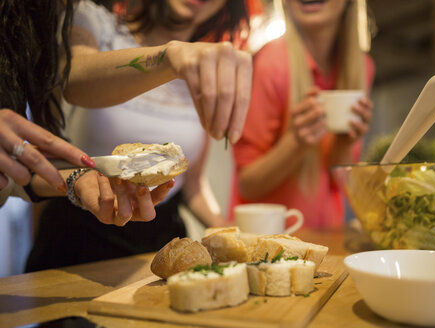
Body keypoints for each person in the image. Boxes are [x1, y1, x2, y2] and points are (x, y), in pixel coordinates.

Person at [25, 0, 252, 272]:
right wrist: (168, 57)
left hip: (161, 247)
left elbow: (191, 186)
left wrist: (225, 228)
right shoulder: (93, 21)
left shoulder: (204, 71)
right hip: (78, 238)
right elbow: (74, 80)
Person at [0, 0, 173, 220]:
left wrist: (76, 180)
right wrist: (167, 59)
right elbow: (73, 79)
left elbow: (14, 180)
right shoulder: (88, 18)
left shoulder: (34, 16)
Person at [231, 0, 375, 229]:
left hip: (327, 237)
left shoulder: (362, 67)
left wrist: (346, 143)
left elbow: (339, 184)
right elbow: (247, 184)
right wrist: (295, 143)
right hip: (270, 239)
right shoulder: (270, 64)